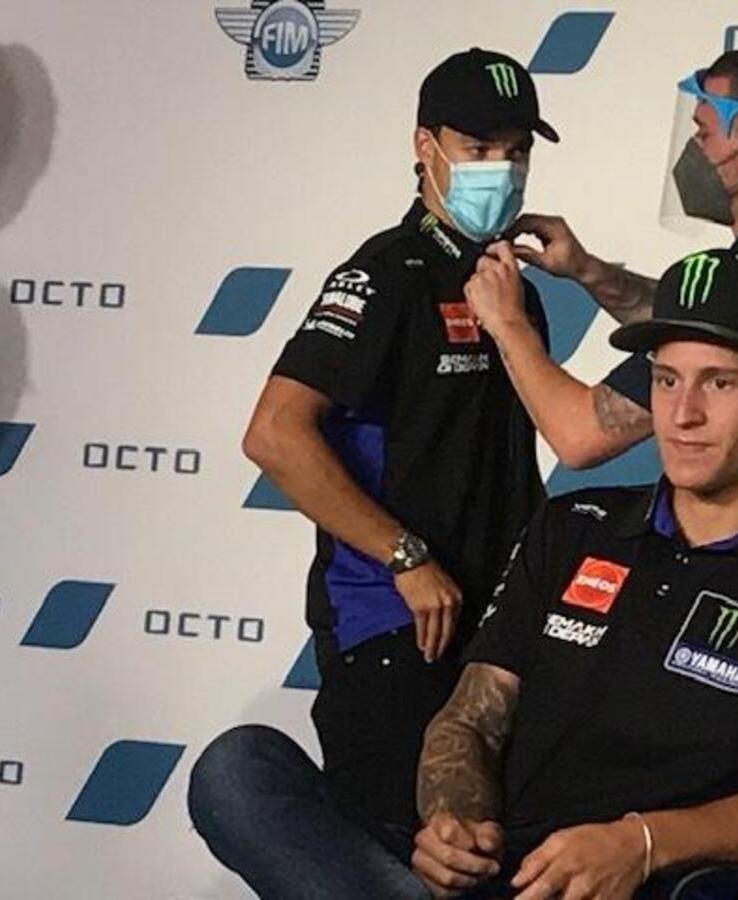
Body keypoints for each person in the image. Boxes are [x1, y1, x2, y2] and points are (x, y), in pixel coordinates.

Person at [186, 47, 559, 898]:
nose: (500, 170)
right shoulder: (385, 273)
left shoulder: (515, 291)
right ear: (425, 147)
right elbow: (275, 433)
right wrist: (404, 556)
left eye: (515, 151)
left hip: (496, 638)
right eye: (478, 147)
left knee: (481, 864)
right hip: (395, 630)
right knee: (418, 852)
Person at [405, 249, 738, 900]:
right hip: (507, 883)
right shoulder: (571, 528)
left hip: (665, 891)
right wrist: (453, 825)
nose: (682, 415)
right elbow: (469, 722)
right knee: (262, 777)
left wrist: (640, 844)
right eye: (665, 380)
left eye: (720, 383)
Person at [465, 41, 738, 570]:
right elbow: (707, 325)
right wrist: (590, 271)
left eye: (704, 133)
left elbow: (578, 436)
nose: (694, 151)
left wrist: (506, 322)